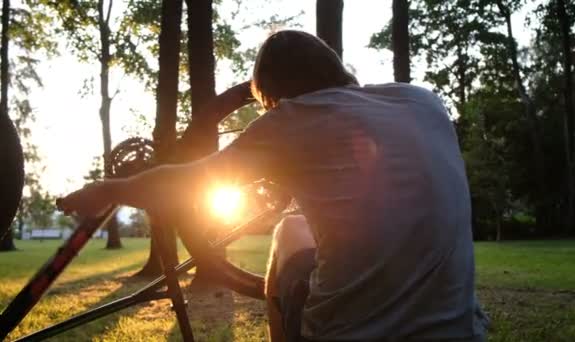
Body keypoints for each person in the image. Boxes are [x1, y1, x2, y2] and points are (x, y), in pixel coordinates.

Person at [58, 30, 489, 341]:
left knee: (287, 231)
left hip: (354, 333)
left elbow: (185, 183)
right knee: (301, 224)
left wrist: (109, 188)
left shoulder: (293, 119)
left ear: (278, 94)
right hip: (461, 330)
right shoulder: (422, 101)